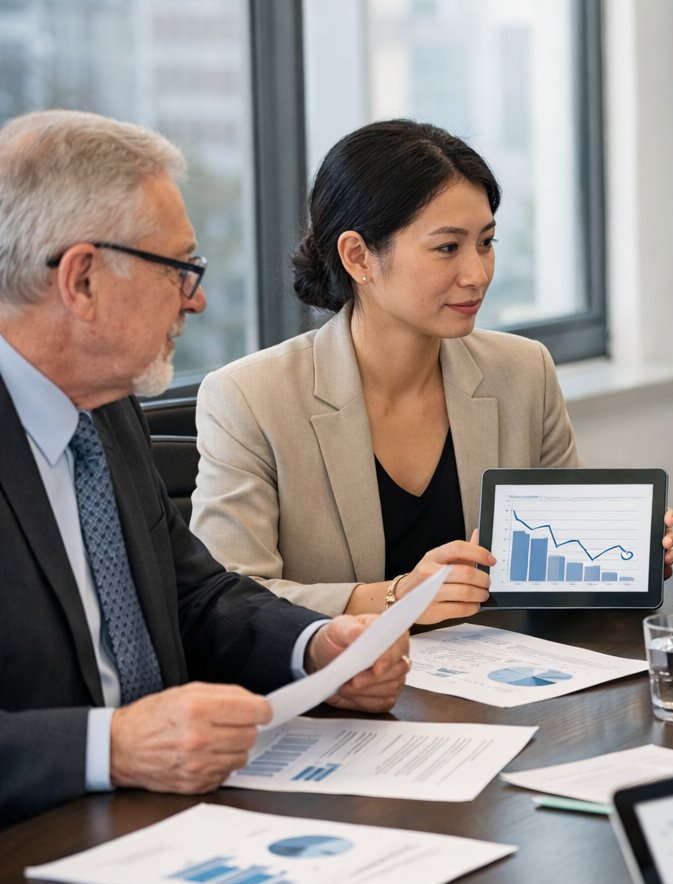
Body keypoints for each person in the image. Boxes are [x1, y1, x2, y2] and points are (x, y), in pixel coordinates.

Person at [0, 110, 410, 827]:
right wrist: (112, 747)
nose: (198, 298)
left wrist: (315, 648)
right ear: (83, 279)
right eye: (180, 270)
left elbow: (193, 596)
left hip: (170, 822)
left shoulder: (104, 403)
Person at [190, 120, 673, 624]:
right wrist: (398, 597)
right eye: (448, 247)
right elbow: (229, 601)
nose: (478, 274)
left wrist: (621, 563)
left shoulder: (523, 370)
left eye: (485, 242)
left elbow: (558, 575)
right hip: (338, 690)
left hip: (498, 685)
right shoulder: (249, 398)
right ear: (358, 256)